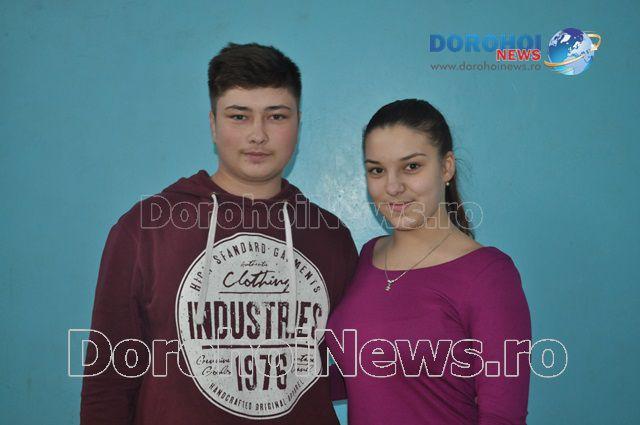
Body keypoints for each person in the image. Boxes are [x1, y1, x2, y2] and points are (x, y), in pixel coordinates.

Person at [80, 42, 358, 424]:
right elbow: (108, 382)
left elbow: (358, 369)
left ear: (298, 123)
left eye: (276, 116)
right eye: (239, 116)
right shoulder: (147, 229)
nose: (258, 135)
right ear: (213, 124)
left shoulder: (330, 237)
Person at [327, 99, 531, 424]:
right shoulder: (367, 256)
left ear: (446, 167)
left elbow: (502, 416)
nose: (393, 187)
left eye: (411, 166)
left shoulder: (489, 275)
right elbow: (367, 373)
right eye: (377, 170)